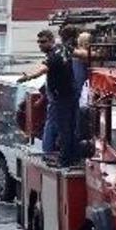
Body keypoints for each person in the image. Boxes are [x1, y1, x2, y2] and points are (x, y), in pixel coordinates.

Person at [19, 29, 76, 166]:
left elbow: (43, 69)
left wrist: (29, 77)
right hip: (69, 95)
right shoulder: (64, 49)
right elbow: (81, 54)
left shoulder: (52, 55)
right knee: (68, 127)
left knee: (62, 128)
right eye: (38, 42)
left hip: (61, 97)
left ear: (51, 40)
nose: (40, 45)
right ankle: (68, 156)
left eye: (43, 42)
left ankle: (63, 160)